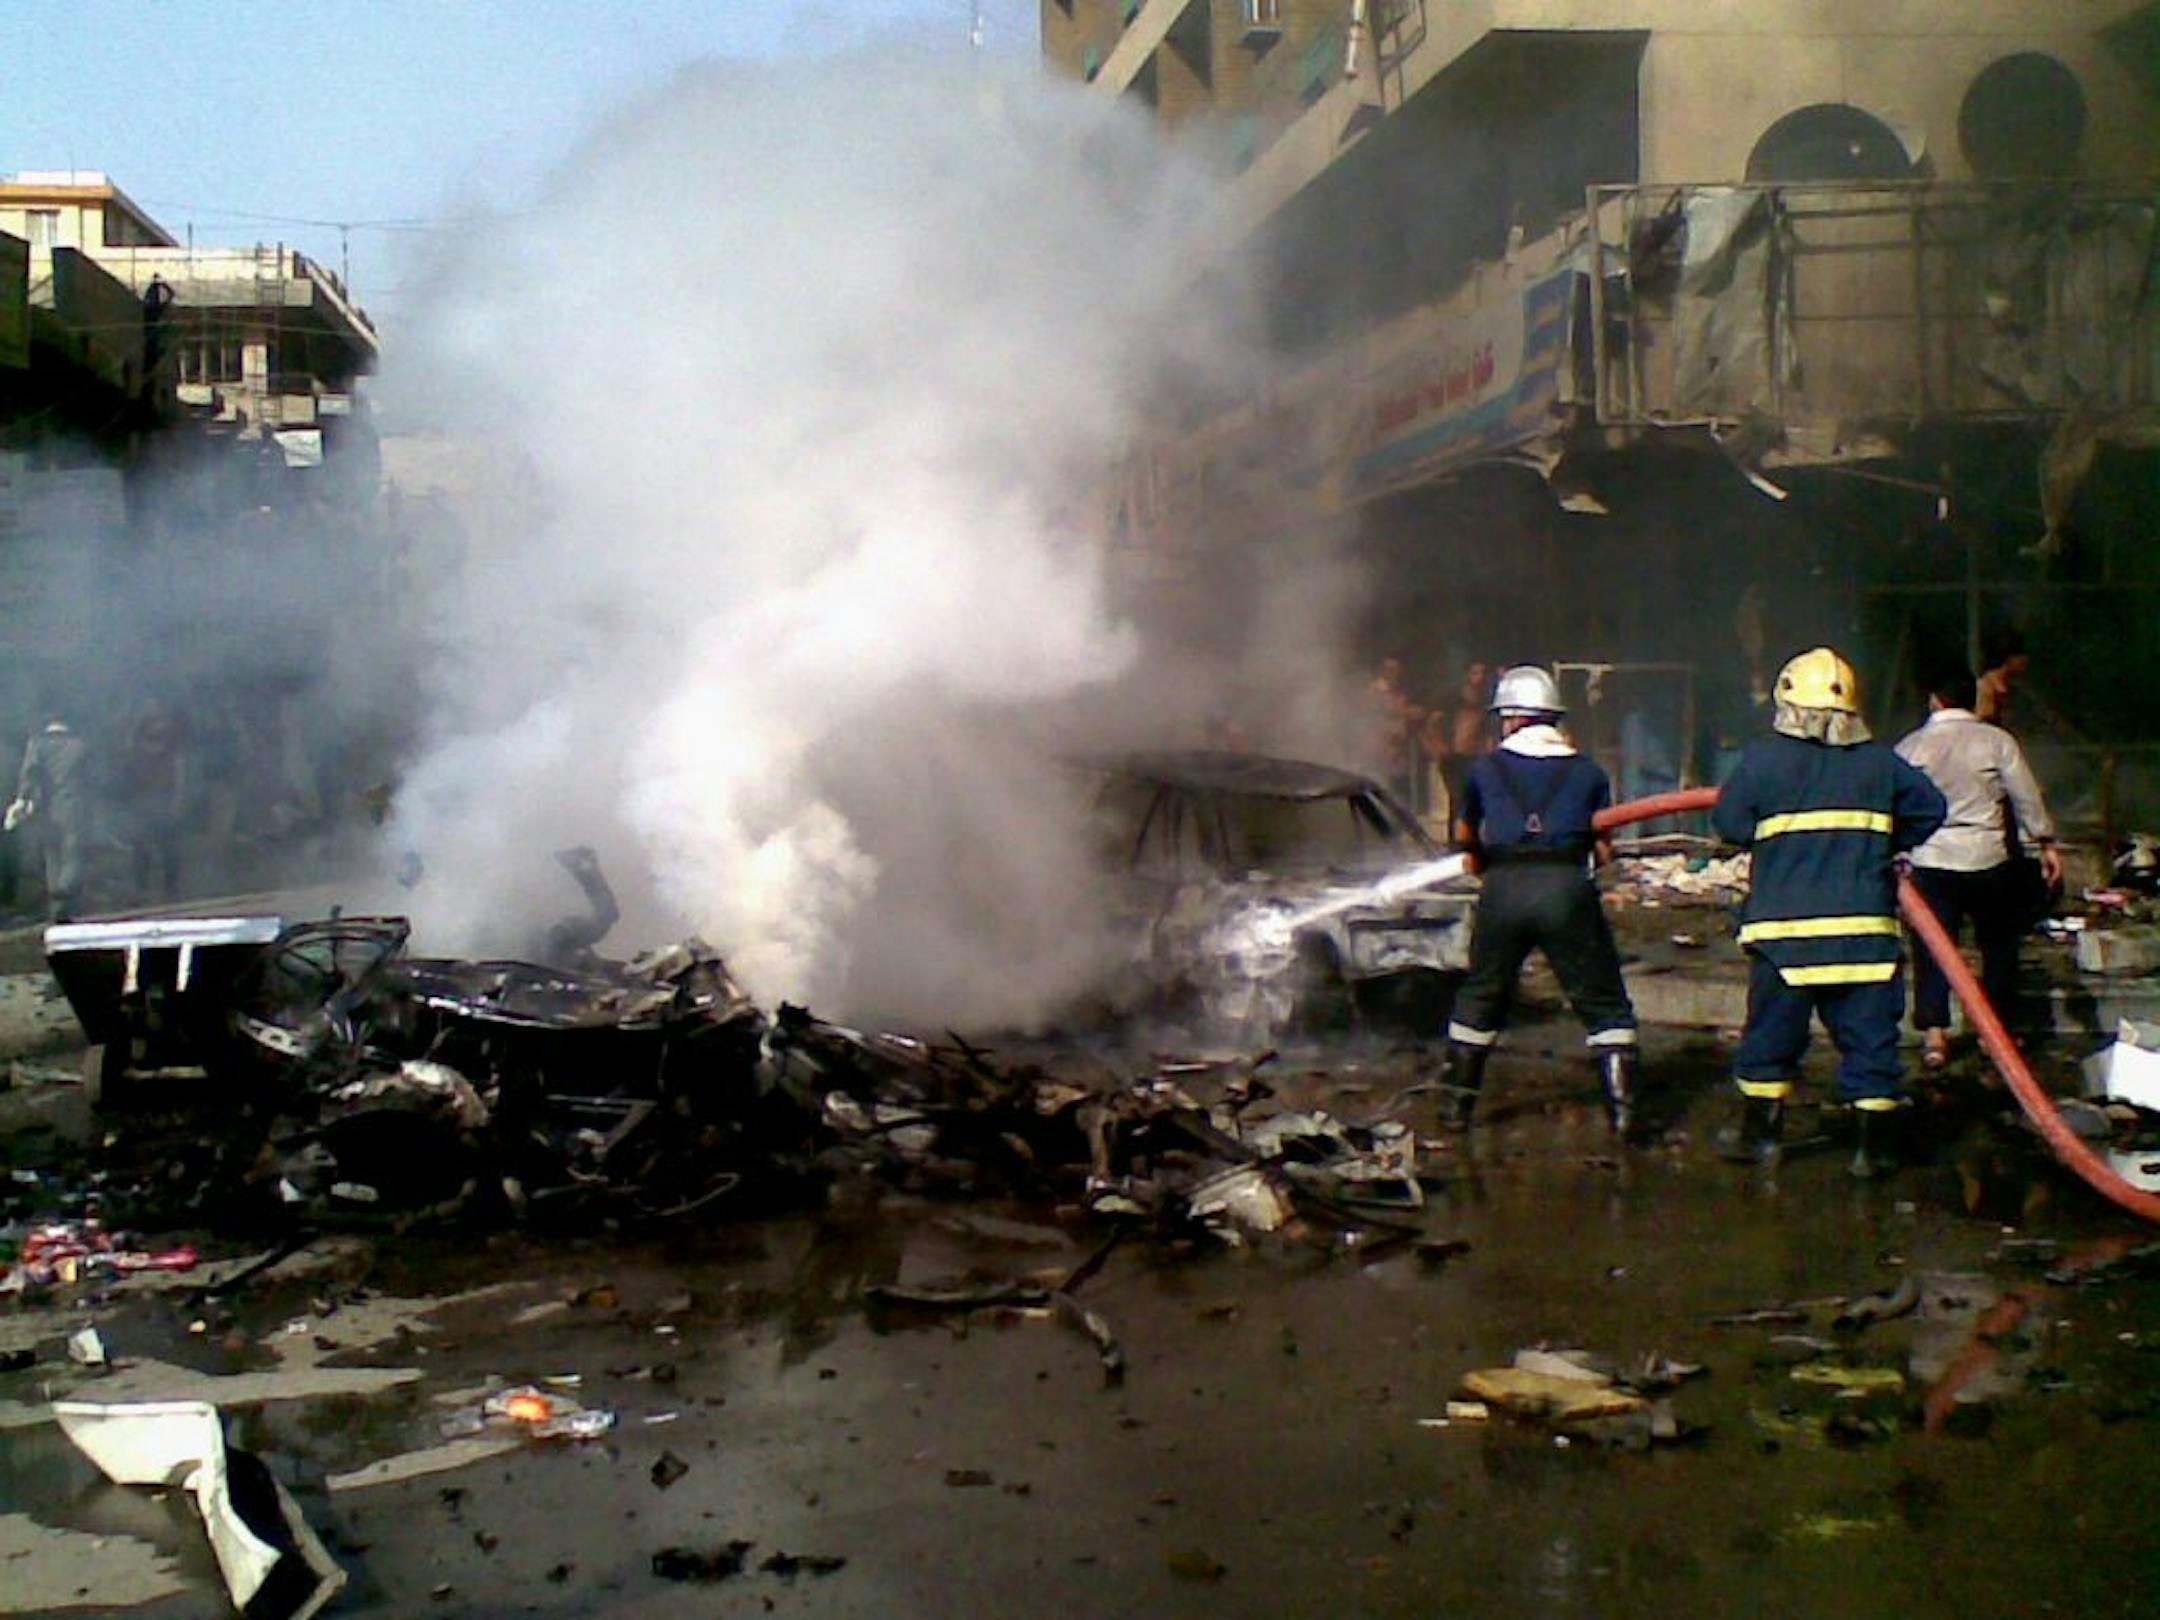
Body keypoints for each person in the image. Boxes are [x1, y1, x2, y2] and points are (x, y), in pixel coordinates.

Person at [1712, 648, 1947, 1177]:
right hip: (1864, 938)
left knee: (1771, 1041)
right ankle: (1873, 1151)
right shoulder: (1881, 764)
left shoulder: (1763, 761)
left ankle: (1760, 1138)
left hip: (1784, 938)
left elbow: (1728, 821)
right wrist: (1886, 844)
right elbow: (1931, 808)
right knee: (1872, 1047)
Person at [1437, 664, 1641, 1137]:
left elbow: (1466, 837)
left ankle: (1455, 1111)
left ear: (1508, 718)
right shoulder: (1588, 772)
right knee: (1604, 1002)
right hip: (1566, 890)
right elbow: (1604, 848)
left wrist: (1481, 862)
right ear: (1554, 717)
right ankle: (1625, 1114)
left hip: (1504, 891)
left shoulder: (1484, 770)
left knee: (1481, 995)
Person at [1895, 666, 2062, 1068]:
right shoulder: (1996, 742)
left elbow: (1895, 804)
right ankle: (1995, 1035)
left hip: (1931, 861)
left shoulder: (1911, 747)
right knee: (1999, 946)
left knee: (1933, 949)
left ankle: (1935, 1038)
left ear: (1934, 700)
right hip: (1987, 860)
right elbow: (2025, 797)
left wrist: (1898, 852)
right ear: (1972, 699)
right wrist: (2045, 841)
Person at [8, 704, 92, 922]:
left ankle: (58, 909)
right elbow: (90, 779)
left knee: (52, 856)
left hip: (46, 808)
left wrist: (22, 800)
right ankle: (63, 891)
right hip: (73, 807)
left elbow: (29, 774)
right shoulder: (79, 746)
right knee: (72, 854)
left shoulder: (37, 745)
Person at [123, 698, 189, 900]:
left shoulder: (170, 745)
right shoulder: (138, 744)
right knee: (142, 847)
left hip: (162, 799)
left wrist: (178, 798)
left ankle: (169, 887)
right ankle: (144, 886)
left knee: (166, 847)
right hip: (144, 800)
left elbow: (179, 771)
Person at [1975, 629, 2028, 729]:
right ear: (2008, 658)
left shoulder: (2013, 688)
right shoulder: (1986, 687)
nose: (2025, 659)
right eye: (2020, 654)